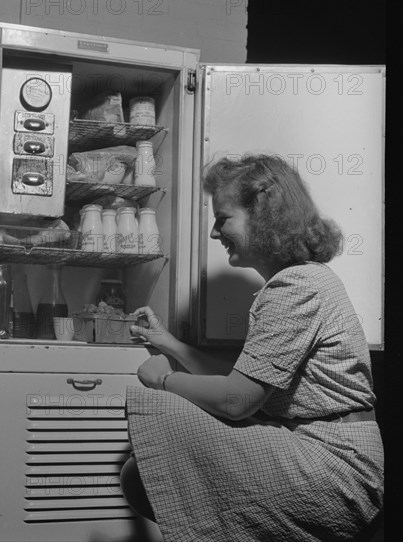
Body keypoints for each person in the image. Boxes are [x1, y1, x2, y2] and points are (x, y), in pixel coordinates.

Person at [121, 154, 384, 541]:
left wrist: (164, 381)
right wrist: (170, 344)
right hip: (325, 450)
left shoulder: (296, 286)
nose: (214, 233)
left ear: (263, 216)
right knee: (147, 464)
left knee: (145, 460)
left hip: (337, 465)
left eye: (223, 218)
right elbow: (241, 380)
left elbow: (236, 400)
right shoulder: (302, 281)